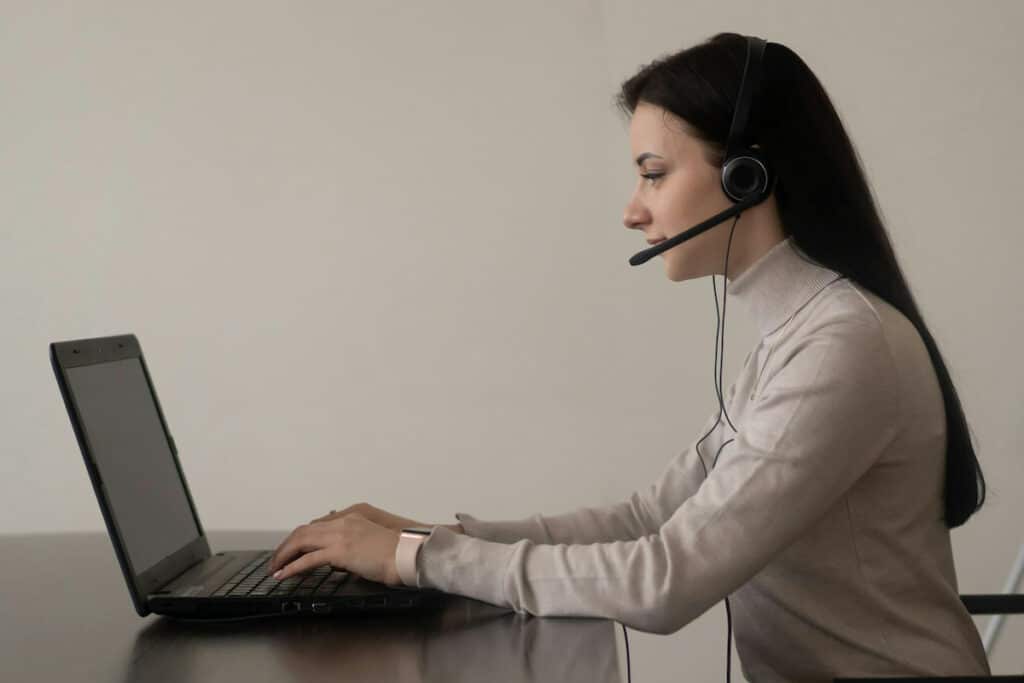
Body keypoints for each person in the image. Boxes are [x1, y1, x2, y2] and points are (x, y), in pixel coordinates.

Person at [267, 32, 990, 682]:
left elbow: (663, 580)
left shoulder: (842, 347)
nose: (632, 209)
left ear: (747, 178)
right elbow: (651, 516)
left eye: (653, 173)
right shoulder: (796, 339)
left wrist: (416, 560)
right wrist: (422, 539)